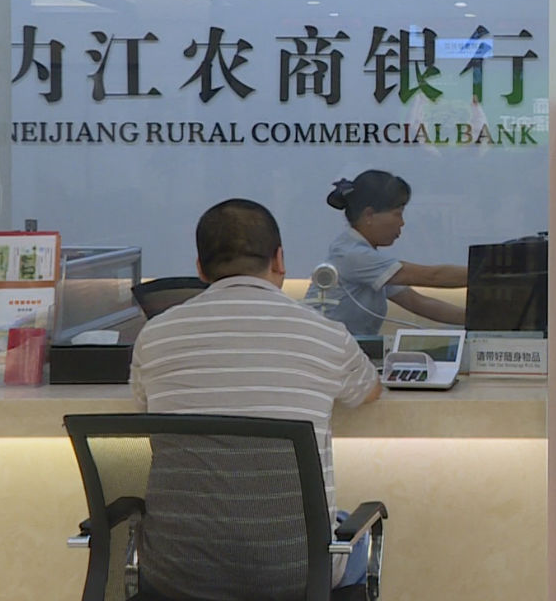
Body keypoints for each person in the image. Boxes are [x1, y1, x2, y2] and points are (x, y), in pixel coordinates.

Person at [131, 198, 382, 591]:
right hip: (297, 571)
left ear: (200, 268)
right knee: (351, 529)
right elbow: (369, 392)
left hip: (176, 570)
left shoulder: (155, 335)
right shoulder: (325, 334)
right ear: (279, 259)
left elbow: (143, 404)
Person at [309, 169, 467, 337]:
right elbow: (432, 276)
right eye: (397, 214)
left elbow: (417, 302)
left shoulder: (361, 254)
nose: (402, 223)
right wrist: (485, 273)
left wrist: (476, 319)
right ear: (369, 215)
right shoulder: (354, 255)